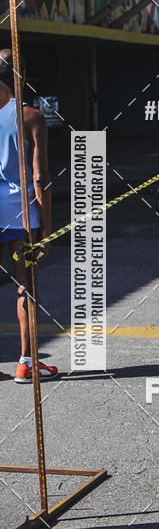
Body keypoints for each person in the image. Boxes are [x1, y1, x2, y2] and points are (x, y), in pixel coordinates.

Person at [0, 49, 58, 383]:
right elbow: (40, 177)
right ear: (19, 77)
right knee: (26, 287)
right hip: (20, 216)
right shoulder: (29, 116)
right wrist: (47, 228)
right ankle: (26, 363)